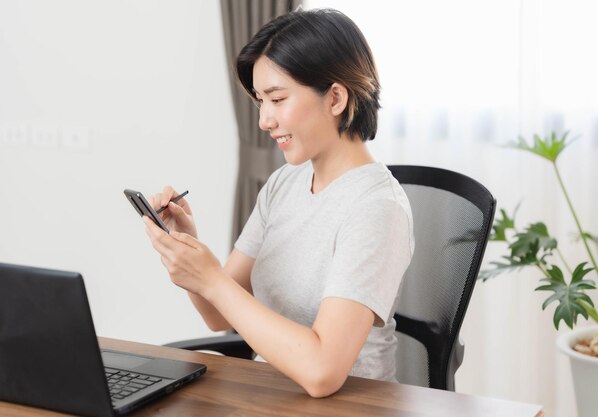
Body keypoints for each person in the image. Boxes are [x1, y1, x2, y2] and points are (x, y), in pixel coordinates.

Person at [143, 8, 414, 398]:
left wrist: (212, 279)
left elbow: (323, 373)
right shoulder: (285, 182)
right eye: (260, 101)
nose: (264, 120)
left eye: (277, 99)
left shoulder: (377, 208)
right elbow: (218, 313)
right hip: (268, 396)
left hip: (347, 406)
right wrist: (189, 246)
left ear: (335, 97)